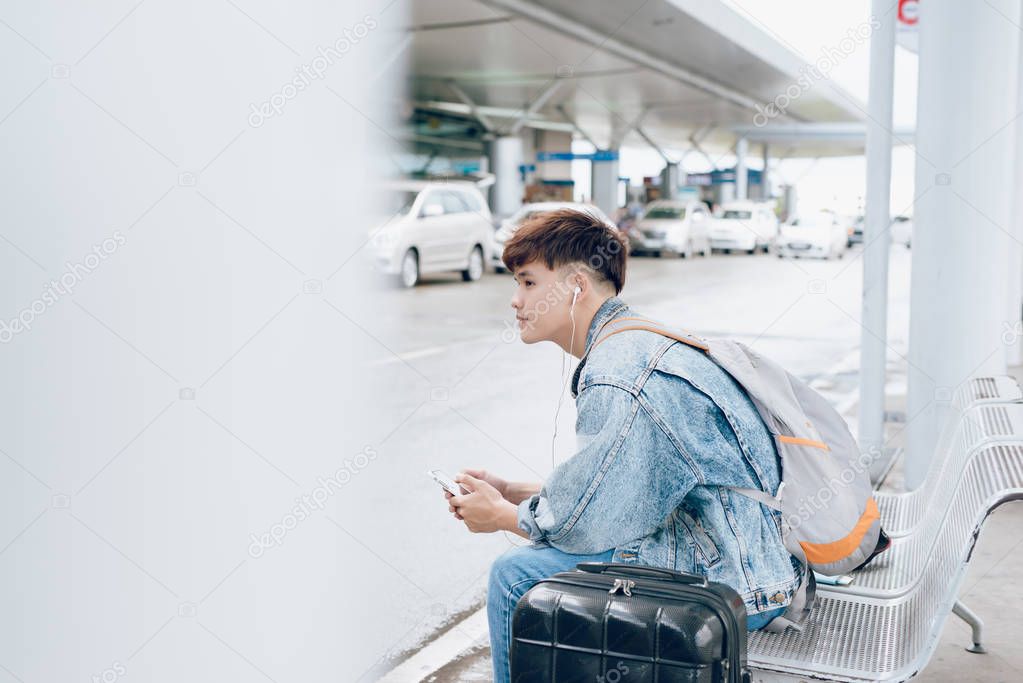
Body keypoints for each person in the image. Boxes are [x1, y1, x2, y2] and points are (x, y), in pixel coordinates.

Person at [444, 208, 800, 683]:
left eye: (528, 283)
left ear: (576, 287)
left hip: (732, 583)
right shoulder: (637, 341)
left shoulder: (618, 371)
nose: (515, 300)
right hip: (749, 560)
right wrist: (510, 491)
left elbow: (588, 520)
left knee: (516, 575)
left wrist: (503, 518)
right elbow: (617, 489)